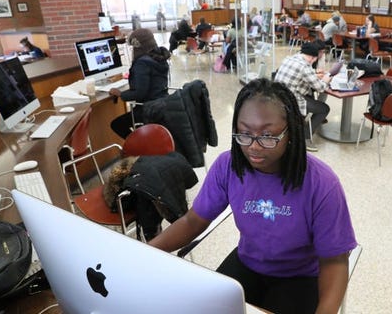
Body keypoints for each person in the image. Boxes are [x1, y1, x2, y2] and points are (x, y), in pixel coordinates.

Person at [148, 78, 357, 314]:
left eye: (267, 136)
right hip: (248, 263)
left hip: (299, 276)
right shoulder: (229, 165)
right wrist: (145, 251)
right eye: (244, 133)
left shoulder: (322, 183)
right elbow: (193, 220)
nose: (253, 147)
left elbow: (335, 260)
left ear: (291, 133)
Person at [109, 29, 170, 139]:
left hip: (148, 108)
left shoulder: (142, 63)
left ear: (137, 46)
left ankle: (138, 146)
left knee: (117, 124)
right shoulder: (160, 56)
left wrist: (120, 94)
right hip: (163, 104)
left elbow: (139, 93)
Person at [274, 42, 331, 152]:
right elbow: (320, 87)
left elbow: (299, 73)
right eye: (315, 59)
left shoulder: (290, 58)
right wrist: (326, 80)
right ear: (312, 57)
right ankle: (305, 137)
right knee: (324, 109)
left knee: (311, 98)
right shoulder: (305, 66)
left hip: (278, 97)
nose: (315, 61)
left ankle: (302, 126)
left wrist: (314, 72)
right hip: (291, 100)